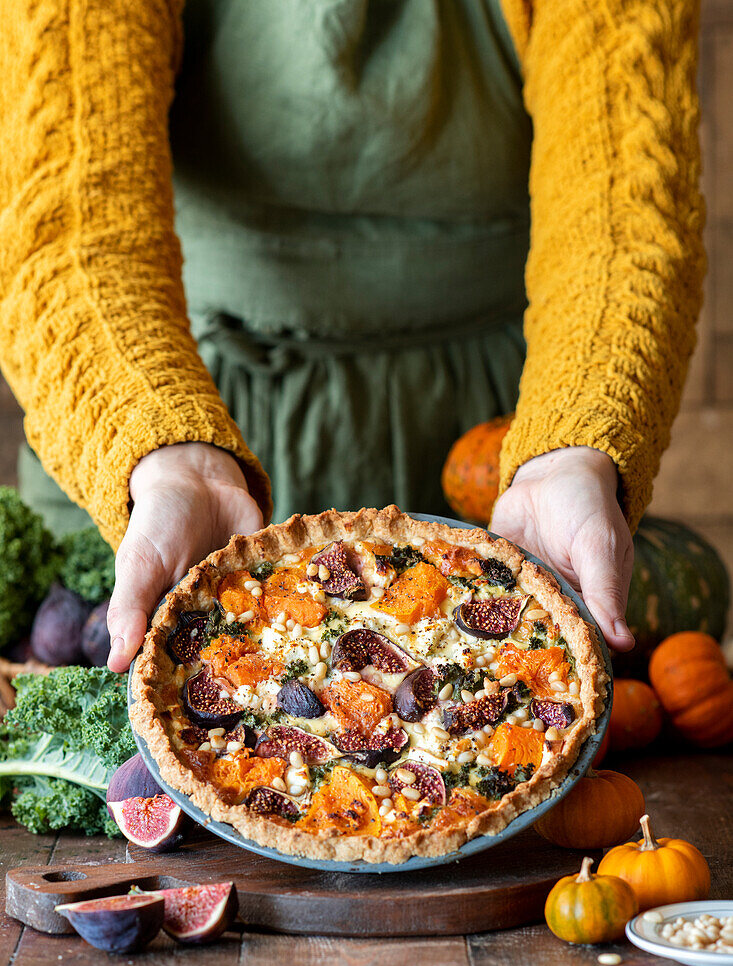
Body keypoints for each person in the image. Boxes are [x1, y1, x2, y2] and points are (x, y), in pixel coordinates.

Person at [0, 1, 703, 673]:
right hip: (168, 422)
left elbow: (624, 205)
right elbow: (67, 226)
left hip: (501, 436)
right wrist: (158, 452)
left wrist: (570, 447)